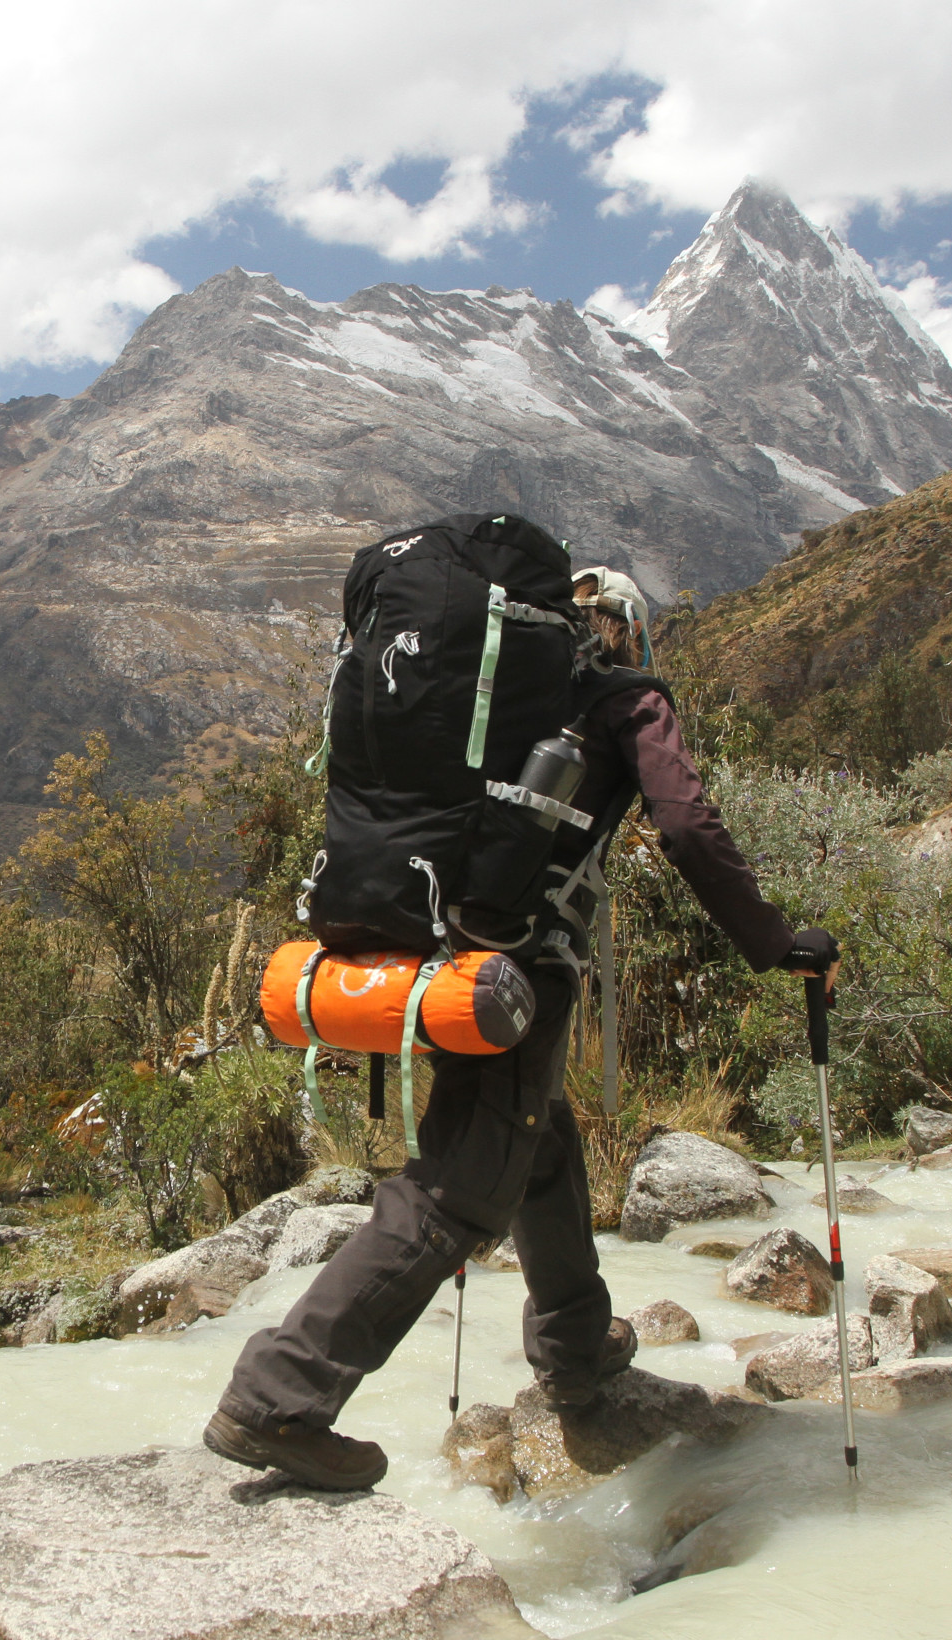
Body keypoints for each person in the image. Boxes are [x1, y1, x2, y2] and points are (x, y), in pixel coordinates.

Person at [203, 565, 839, 1490]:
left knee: (540, 1144)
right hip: (518, 976)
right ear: (622, 628)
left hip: (438, 956)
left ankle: (576, 1345)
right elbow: (690, 829)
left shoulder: (489, 706)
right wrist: (776, 943)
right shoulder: (629, 700)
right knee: (455, 1194)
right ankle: (279, 1396)